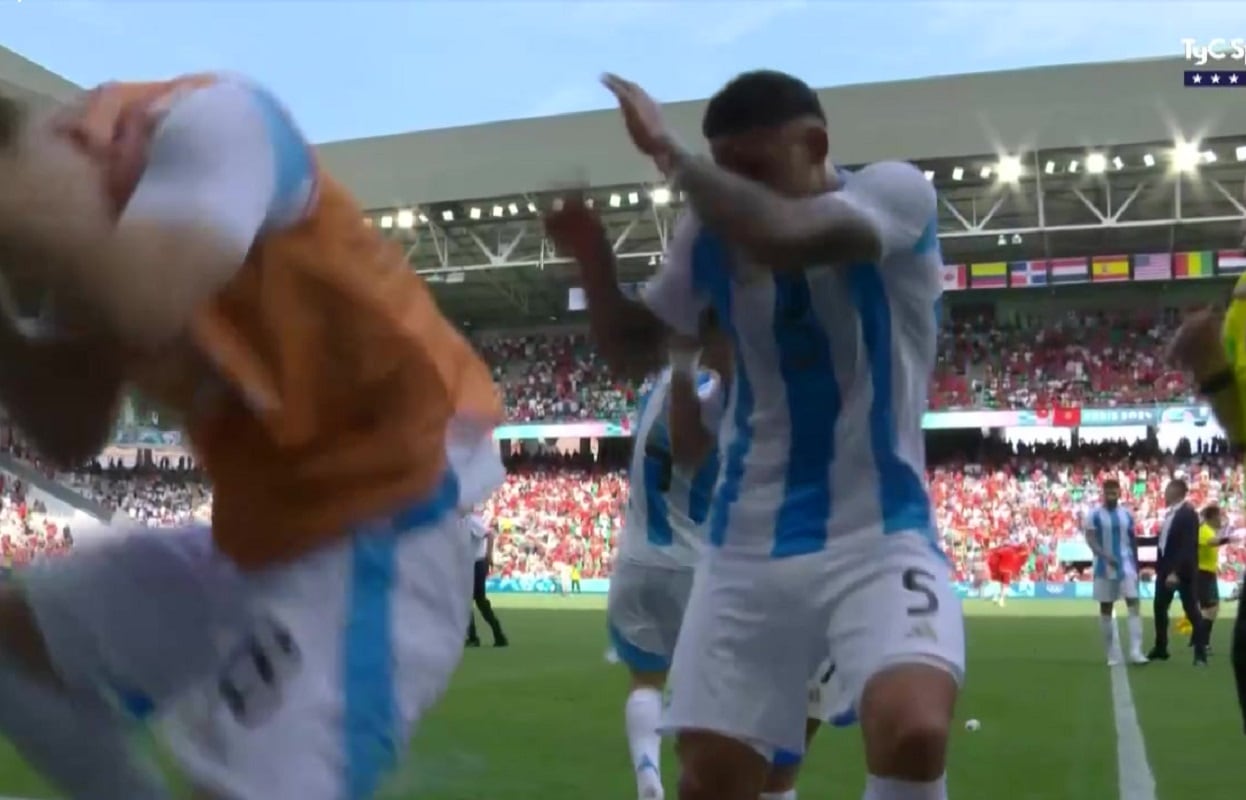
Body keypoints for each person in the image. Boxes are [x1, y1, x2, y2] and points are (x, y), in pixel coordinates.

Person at [0, 75, 504, 800]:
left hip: (388, 527)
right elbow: (68, 434)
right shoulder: (74, 232)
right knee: (15, 644)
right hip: (260, 546)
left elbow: (145, 303)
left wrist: (29, 208)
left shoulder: (210, 122)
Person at [570, 69, 963, 800]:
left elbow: (790, 237)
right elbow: (635, 347)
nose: (735, 189)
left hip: (879, 531)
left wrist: (675, 159)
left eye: (753, 169)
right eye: (727, 171)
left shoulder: (894, 194)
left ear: (815, 145)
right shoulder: (708, 236)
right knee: (713, 780)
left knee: (915, 726)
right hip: (747, 541)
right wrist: (592, 260)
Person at [1083, 479, 1148, 666]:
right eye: (1108, 490)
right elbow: (1091, 539)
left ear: (1120, 492)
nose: (1111, 493)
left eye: (1114, 490)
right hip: (1104, 567)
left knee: (1134, 604)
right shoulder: (1094, 514)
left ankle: (1136, 651)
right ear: (1103, 492)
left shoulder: (1126, 514)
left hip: (1126, 566)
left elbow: (1132, 539)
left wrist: (1137, 565)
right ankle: (1111, 653)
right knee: (1106, 608)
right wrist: (1104, 555)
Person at [1147, 478, 1207, 665]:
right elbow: (1165, 543)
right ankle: (1161, 647)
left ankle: (1200, 654)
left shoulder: (1187, 514)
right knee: (1159, 608)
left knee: (1191, 611)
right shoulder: (1171, 514)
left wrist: (1176, 572)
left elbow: (1187, 546)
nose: (1164, 494)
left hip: (1182, 571)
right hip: (1165, 568)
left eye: (1167, 490)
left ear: (1175, 492)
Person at [464, 511, 508, 648]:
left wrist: (489, 556)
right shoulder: (460, 522)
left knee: (471, 601)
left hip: (476, 564)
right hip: (469, 565)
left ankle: (475, 637)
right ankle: (497, 635)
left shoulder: (470, 520)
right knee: (477, 601)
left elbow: (489, 534)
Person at [1196, 504, 1231, 648]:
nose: (1221, 519)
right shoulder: (1204, 530)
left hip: (1208, 572)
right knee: (1210, 609)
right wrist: (1229, 539)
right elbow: (1211, 543)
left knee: (1211, 609)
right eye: (1219, 516)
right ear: (1211, 517)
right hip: (1202, 573)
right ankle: (1202, 642)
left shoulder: (1209, 529)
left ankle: (1201, 640)